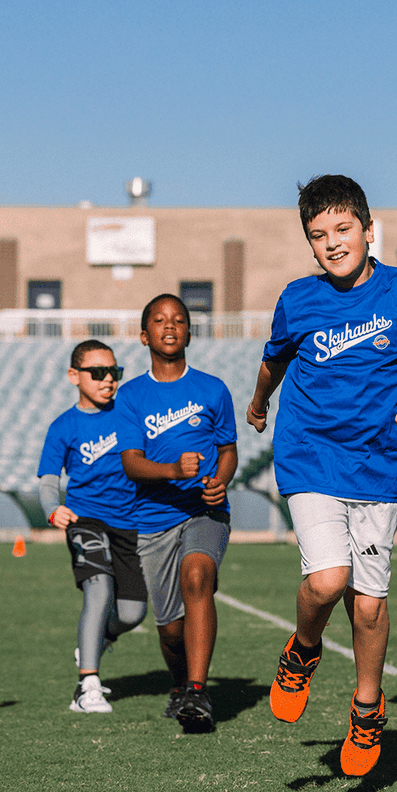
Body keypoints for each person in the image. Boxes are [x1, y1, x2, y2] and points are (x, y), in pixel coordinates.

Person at [247, 174, 397, 777]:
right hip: (309, 455)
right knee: (327, 581)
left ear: (369, 231)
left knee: (369, 608)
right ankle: (302, 651)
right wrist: (259, 401)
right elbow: (273, 361)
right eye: (318, 235)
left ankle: (367, 709)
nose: (332, 243)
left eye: (343, 229)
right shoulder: (298, 298)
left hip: (374, 467)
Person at [116, 295, 238, 732]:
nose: (170, 326)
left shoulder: (212, 388)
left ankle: (198, 694)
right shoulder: (130, 396)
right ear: (145, 334)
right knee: (170, 630)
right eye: (160, 320)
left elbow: (228, 451)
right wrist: (172, 469)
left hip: (205, 512)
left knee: (197, 577)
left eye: (179, 320)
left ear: (189, 331)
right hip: (152, 519)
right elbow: (131, 462)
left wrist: (220, 479)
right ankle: (179, 684)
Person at [38, 340, 149, 714]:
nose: (108, 380)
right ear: (75, 376)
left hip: (130, 522)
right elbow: (49, 480)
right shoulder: (63, 426)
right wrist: (53, 509)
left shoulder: (129, 415)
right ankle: (87, 688)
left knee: (133, 613)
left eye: (114, 373)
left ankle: (95, 641)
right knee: (98, 588)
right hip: (85, 518)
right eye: (97, 373)